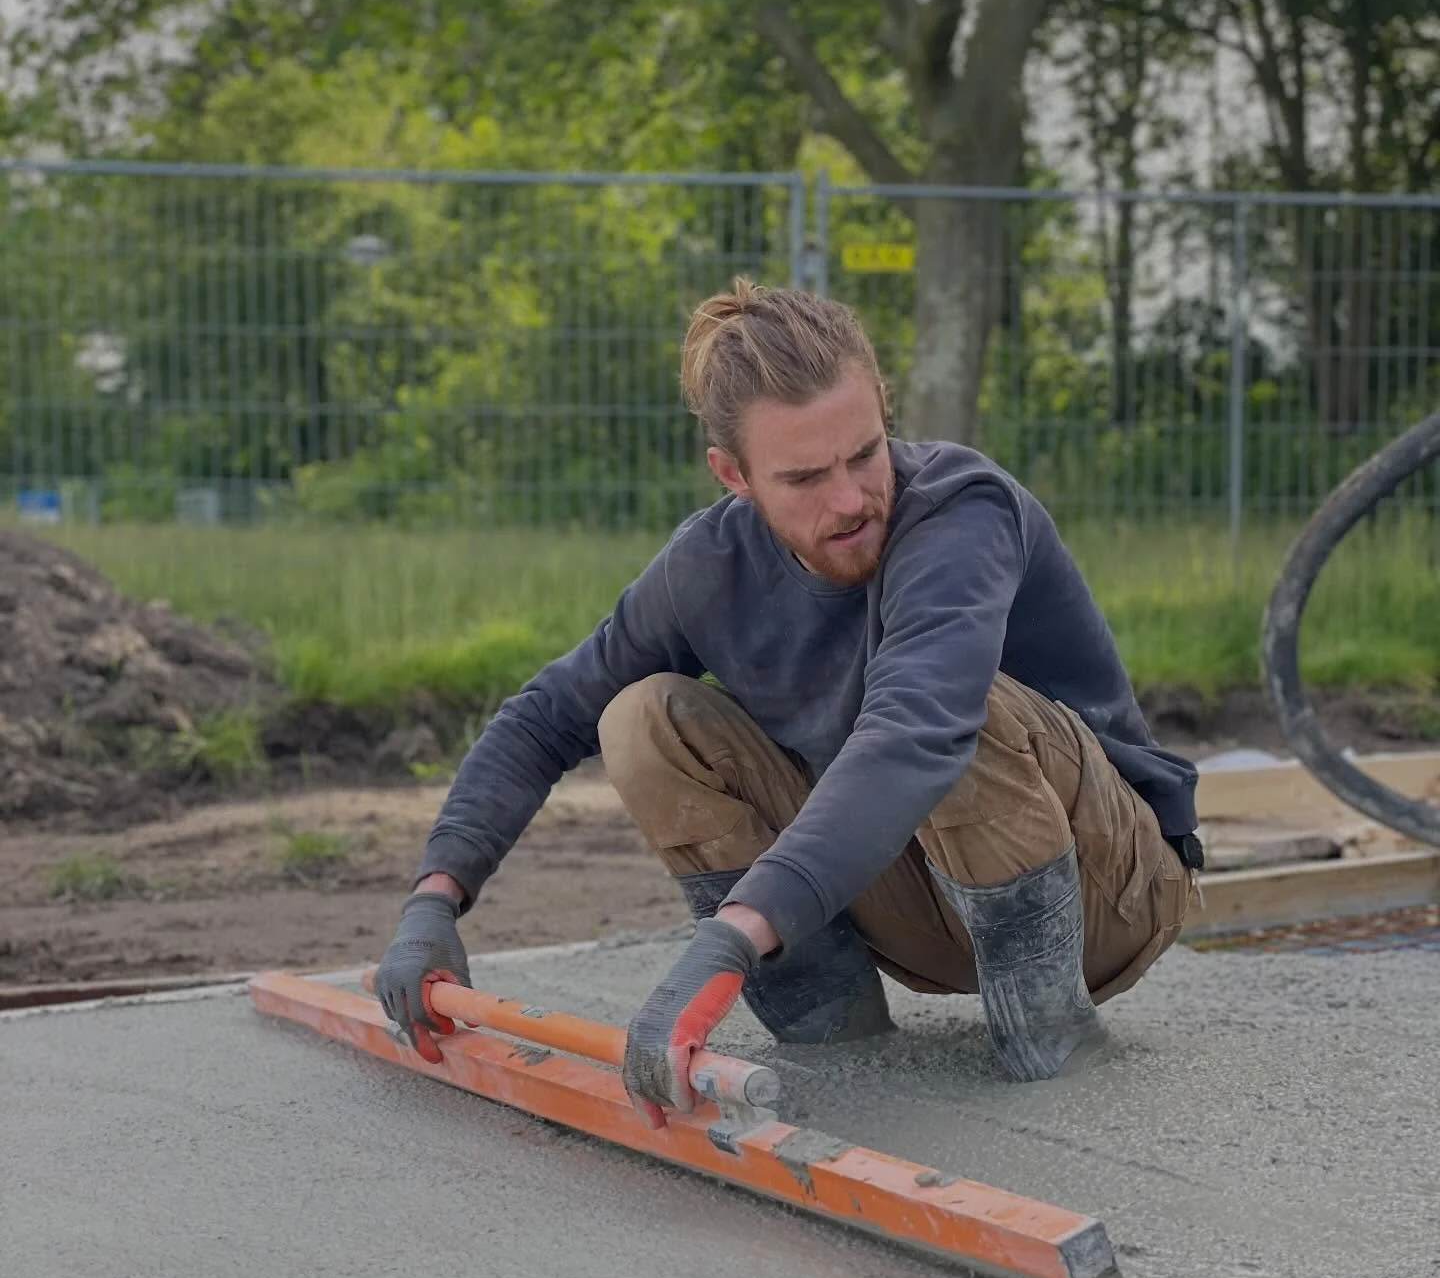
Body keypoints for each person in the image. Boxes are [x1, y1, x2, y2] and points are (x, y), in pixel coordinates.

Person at [376, 280, 1202, 1124]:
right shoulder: (707, 567)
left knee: (960, 707)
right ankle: (831, 1042)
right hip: (919, 898)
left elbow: (916, 731)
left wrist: (731, 937)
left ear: (884, 411)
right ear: (733, 475)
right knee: (641, 719)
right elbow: (545, 716)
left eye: (864, 454)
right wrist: (433, 901)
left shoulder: (961, 512)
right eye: (804, 476)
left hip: (1107, 893)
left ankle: (1053, 1046)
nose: (849, 499)